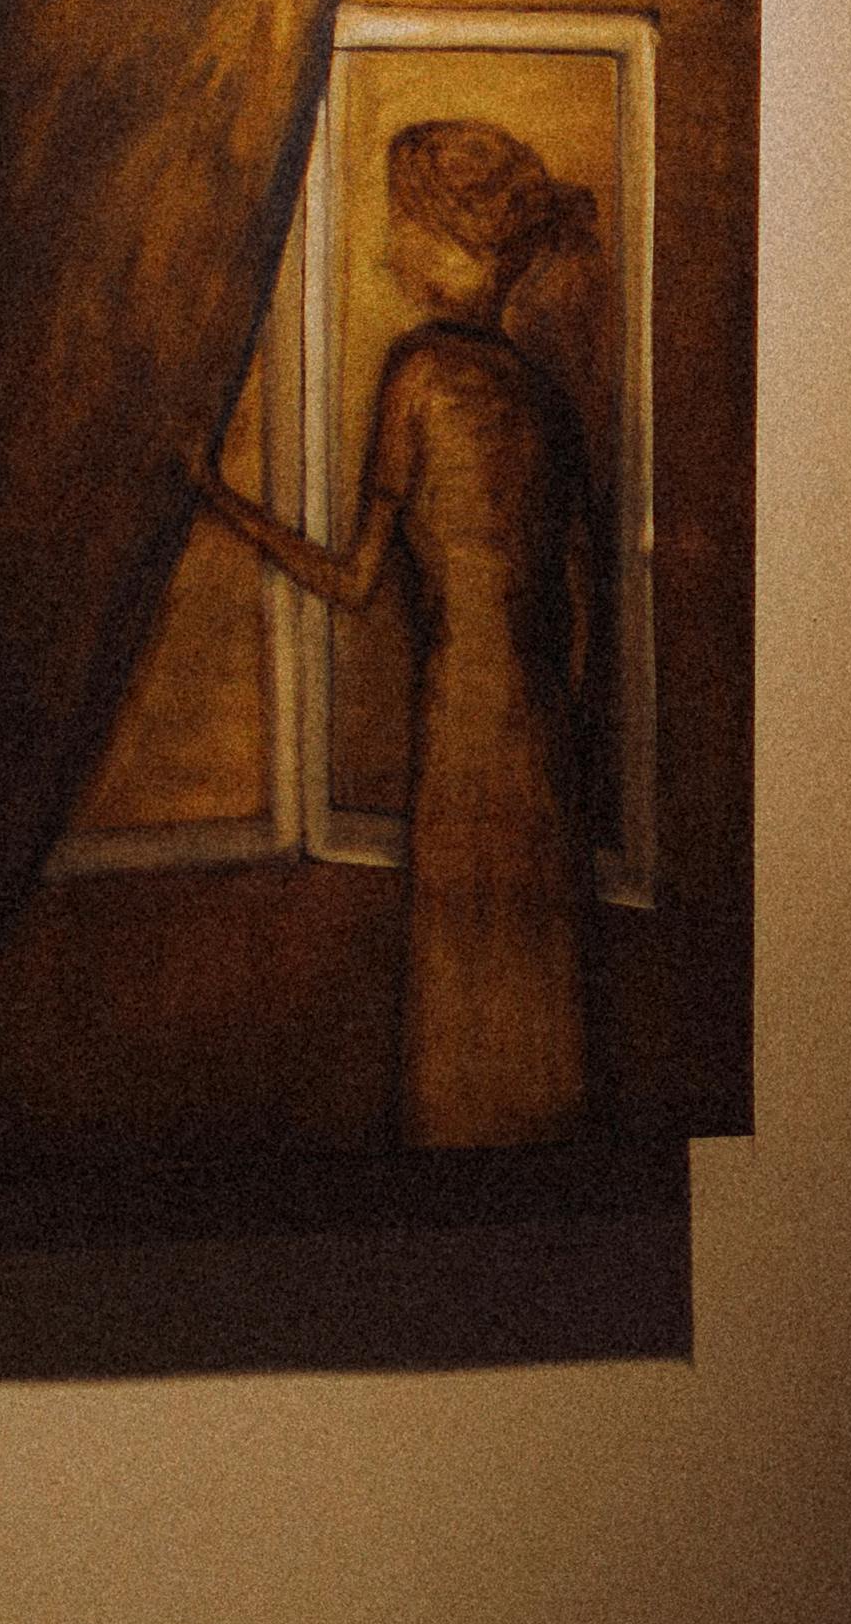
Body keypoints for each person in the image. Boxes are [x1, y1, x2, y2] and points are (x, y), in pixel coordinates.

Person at [184, 116, 605, 1147]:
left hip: (466, 713)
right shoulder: (539, 395)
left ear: (451, 239)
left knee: (462, 959)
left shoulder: (418, 370)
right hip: (542, 720)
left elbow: (354, 579)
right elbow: (584, 599)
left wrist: (220, 500)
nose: (382, 250)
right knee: (536, 952)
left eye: (399, 225)